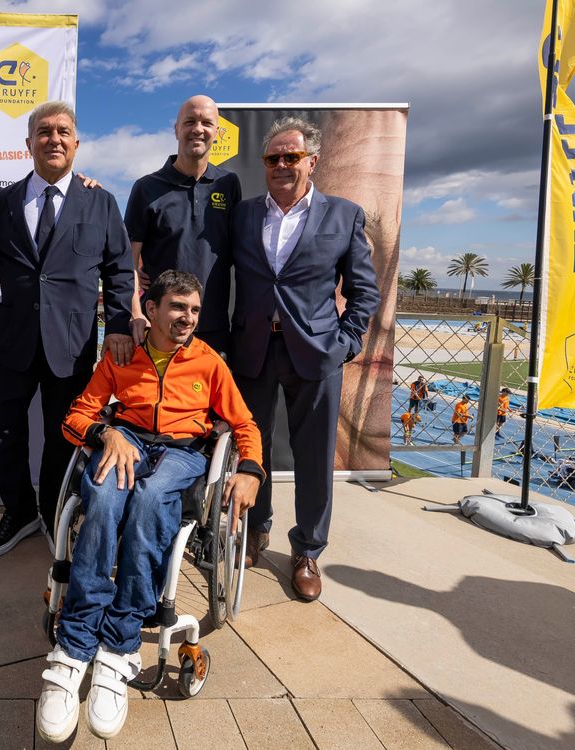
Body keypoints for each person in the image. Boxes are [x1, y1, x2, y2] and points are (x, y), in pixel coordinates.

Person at [37, 270, 264, 742]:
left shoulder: (208, 363)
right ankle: (76, 644)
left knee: (149, 500)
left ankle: (119, 646)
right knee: (99, 494)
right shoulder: (122, 355)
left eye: (195, 310)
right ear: (152, 309)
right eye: (178, 307)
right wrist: (106, 432)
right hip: (130, 440)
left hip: (182, 453)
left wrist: (250, 472)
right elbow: (77, 416)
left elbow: (245, 425)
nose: (187, 318)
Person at [228, 116, 380, 602]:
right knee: (252, 448)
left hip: (315, 354)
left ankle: (309, 549)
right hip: (252, 348)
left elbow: (363, 292)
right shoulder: (244, 214)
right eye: (272, 158)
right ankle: (255, 529)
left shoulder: (344, 215)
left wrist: (346, 343)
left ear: (312, 161)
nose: (281, 165)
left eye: (291, 157)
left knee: (314, 457)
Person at [0, 101, 136, 557]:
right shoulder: (1, 202)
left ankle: (52, 512)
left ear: (77, 143)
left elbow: (120, 271)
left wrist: (121, 325)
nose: (54, 139)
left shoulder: (100, 200)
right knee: (4, 429)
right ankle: (19, 511)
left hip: (72, 345)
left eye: (63, 131)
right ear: (28, 144)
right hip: (13, 342)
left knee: (63, 434)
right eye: (43, 132)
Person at [125, 95, 241, 351]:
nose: (198, 129)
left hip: (214, 330)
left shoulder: (229, 184)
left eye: (207, 123)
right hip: (159, 330)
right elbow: (129, 261)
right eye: (189, 121)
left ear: (218, 132)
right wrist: (136, 313)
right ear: (177, 129)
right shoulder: (146, 188)